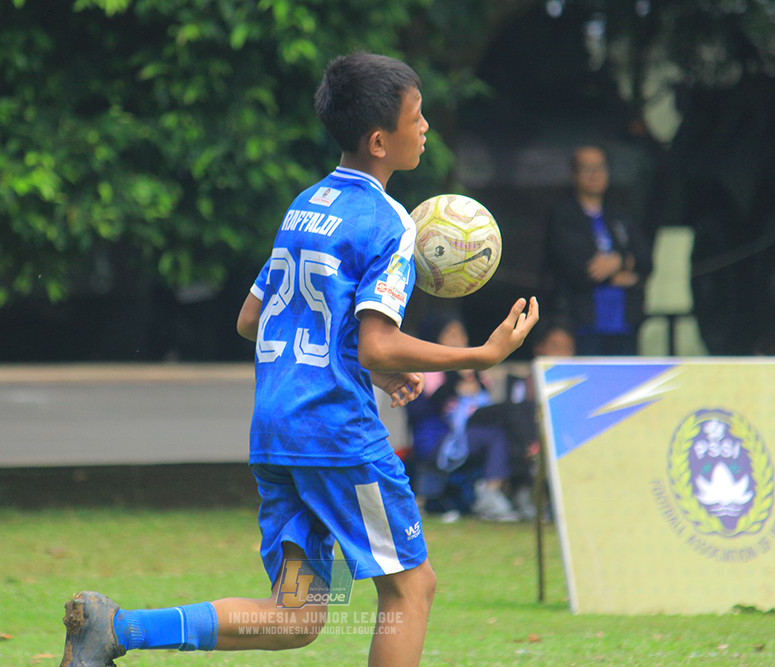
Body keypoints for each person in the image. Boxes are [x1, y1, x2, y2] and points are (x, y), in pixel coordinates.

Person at [58, 52, 539, 667]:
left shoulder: (305, 205)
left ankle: (115, 632)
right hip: (336, 434)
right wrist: (482, 352)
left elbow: (251, 318)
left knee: (298, 617)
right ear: (378, 140)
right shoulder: (391, 223)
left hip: (276, 429)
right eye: (416, 118)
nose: (424, 129)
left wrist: (370, 361)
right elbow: (375, 341)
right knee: (411, 586)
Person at [405, 314, 520, 523]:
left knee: (507, 421)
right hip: (442, 439)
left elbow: (484, 389)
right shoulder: (428, 366)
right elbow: (436, 399)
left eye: (460, 333)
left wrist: (469, 374)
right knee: (497, 433)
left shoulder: (472, 364)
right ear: (435, 338)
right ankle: (490, 493)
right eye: (450, 334)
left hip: (471, 428)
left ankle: (509, 491)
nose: (457, 339)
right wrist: (459, 379)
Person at [544, 145, 653, 356]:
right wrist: (620, 276)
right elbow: (575, 268)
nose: (594, 175)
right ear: (574, 174)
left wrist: (619, 261)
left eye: (600, 167)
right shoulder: (563, 215)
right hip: (581, 325)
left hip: (624, 324)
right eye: (587, 168)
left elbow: (646, 259)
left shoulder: (619, 214)